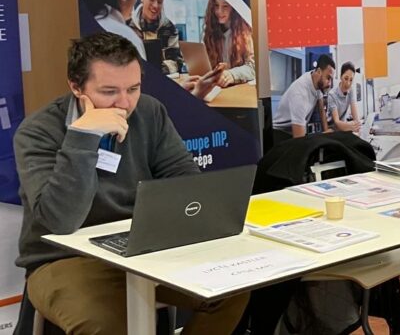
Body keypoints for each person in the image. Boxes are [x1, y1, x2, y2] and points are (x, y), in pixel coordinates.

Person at [12, 32, 248, 334]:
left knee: (230, 290)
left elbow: (185, 182)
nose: (124, 103)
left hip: (140, 245)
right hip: (63, 258)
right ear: (76, 87)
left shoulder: (149, 112)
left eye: (133, 89)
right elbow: (61, 220)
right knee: (106, 324)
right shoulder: (37, 131)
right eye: (109, 91)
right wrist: (83, 137)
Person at [273, 54, 336, 140]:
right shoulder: (300, 93)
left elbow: (321, 109)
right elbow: (300, 140)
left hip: (294, 131)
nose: (330, 84)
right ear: (319, 71)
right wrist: (323, 135)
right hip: (280, 133)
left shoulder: (316, 81)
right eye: (328, 78)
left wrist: (326, 130)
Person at [130, 0, 184, 75]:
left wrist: (158, 70)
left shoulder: (169, 28)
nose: (155, 5)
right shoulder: (128, 26)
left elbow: (176, 60)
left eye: (159, 1)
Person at [202, 0, 256, 87]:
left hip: (240, 90)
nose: (219, 11)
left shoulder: (247, 32)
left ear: (234, 8)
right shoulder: (210, 32)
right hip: (218, 88)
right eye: (216, 5)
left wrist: (232, 74)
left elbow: (254, 67)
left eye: (225, 6)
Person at [328, 62, 361, 132]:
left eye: (351, 80)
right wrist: (351, 126)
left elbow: (355, 115)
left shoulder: (351, 90)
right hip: (332, 129)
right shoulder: (332, 95)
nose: (348, 83)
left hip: (344, 128)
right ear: (341, 77)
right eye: (346, 78)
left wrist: (358, 126)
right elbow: (336, 122)